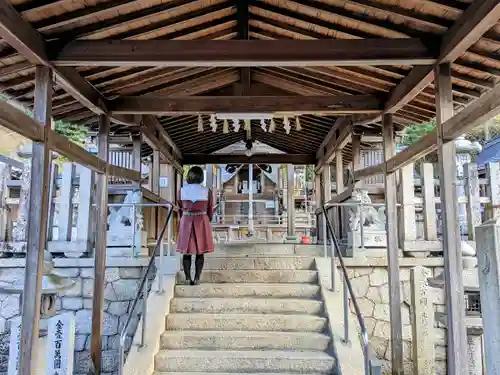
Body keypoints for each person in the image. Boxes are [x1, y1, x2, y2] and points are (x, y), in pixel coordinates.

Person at [176, 166, 214, 285]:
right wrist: (208, 219)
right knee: (200, 251)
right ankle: (197, 278)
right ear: (201, 177)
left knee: (186, 252)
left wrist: (184, 217)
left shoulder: (181, 190)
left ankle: (187, 278)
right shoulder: (207, 191)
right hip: (201, 220)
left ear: (188, 177)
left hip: (186, 219)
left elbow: (179, 207)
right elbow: (210, 209)